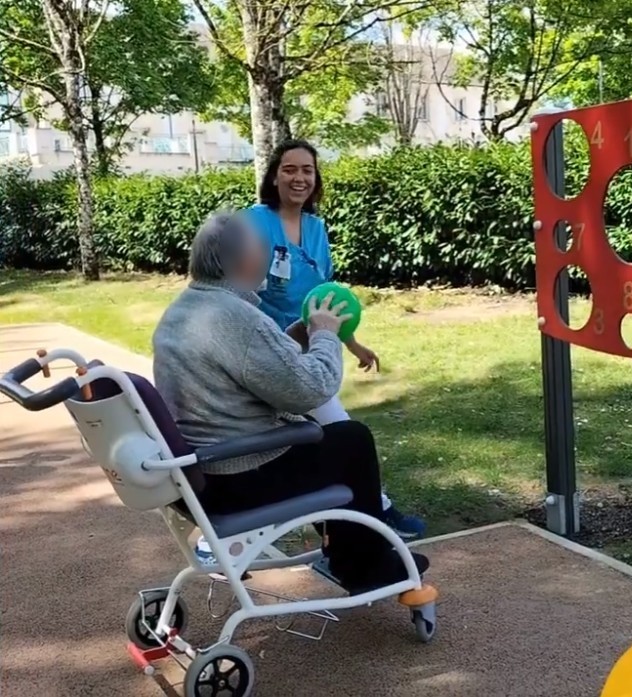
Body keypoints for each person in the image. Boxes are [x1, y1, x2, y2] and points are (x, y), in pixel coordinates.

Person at [152, 211, 429, 592]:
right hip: (237, 477)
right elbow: (311, 389)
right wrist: (327, 334)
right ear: (245, 260)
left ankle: (349, 553)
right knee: (351, 440)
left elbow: (255, 365)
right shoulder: (235, 316)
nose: (268, 253)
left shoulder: (186, 308)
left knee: (331, 443)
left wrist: (298, 335)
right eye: (263, 246)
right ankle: (364, 567)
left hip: (201, 476)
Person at [241, 139, 426, 540]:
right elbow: (235, 287)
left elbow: (323, 297)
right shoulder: (252, 222)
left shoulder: (317, 228)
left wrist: (351, 341)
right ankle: (371, 514)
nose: (299, 178)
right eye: (290, 169)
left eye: (307, 170)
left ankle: (351, 519)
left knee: (326, 432)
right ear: (274, 176)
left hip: (308, 349)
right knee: (329, 431)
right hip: (267, 352)